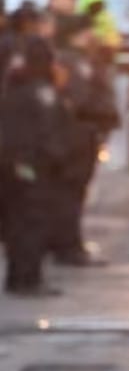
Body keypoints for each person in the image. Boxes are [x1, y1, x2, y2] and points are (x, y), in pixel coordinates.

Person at [49, 14, 117, 266]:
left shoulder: (83, 59)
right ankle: (68, 246)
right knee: (70, 193)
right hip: (76, 134)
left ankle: (69, 243)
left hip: (83, 132)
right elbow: (78, 98)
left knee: (74, 193)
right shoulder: (71, 61)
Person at [1, 36, 63, 296]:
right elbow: (41, 131)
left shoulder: (16, 87)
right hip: (30, 166)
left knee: (19, 222)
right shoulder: (37, 92)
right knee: (30, 222)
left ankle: (21, 276)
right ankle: (27, 278)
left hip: (19, 164)